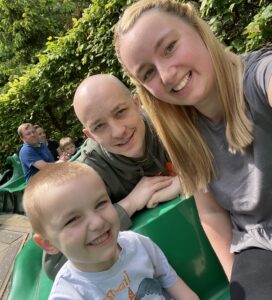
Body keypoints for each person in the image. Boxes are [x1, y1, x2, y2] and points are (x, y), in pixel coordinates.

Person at [114, 0, 272, 299]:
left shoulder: (261, 77)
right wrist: (239, 284)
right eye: (147, 73)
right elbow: (211, 212)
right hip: (258, 246)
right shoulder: (184, 135)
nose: (167, 74)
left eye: (169, 47)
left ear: (197, 27)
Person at [44, 74, 181, 280]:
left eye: (120, 112)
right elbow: (56, 266)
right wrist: (129, 204)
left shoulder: (172, 120)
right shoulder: (83, 175)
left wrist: (188, 180)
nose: (118, 131)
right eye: (99, 126)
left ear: (137, 104)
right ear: (90, 135)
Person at [23, 162, 199, 300]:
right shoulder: (70, 294)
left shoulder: (137, 243)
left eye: (100, 204)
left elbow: (171, 280)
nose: (97, 223)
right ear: (48, 244)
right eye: (73, 219)